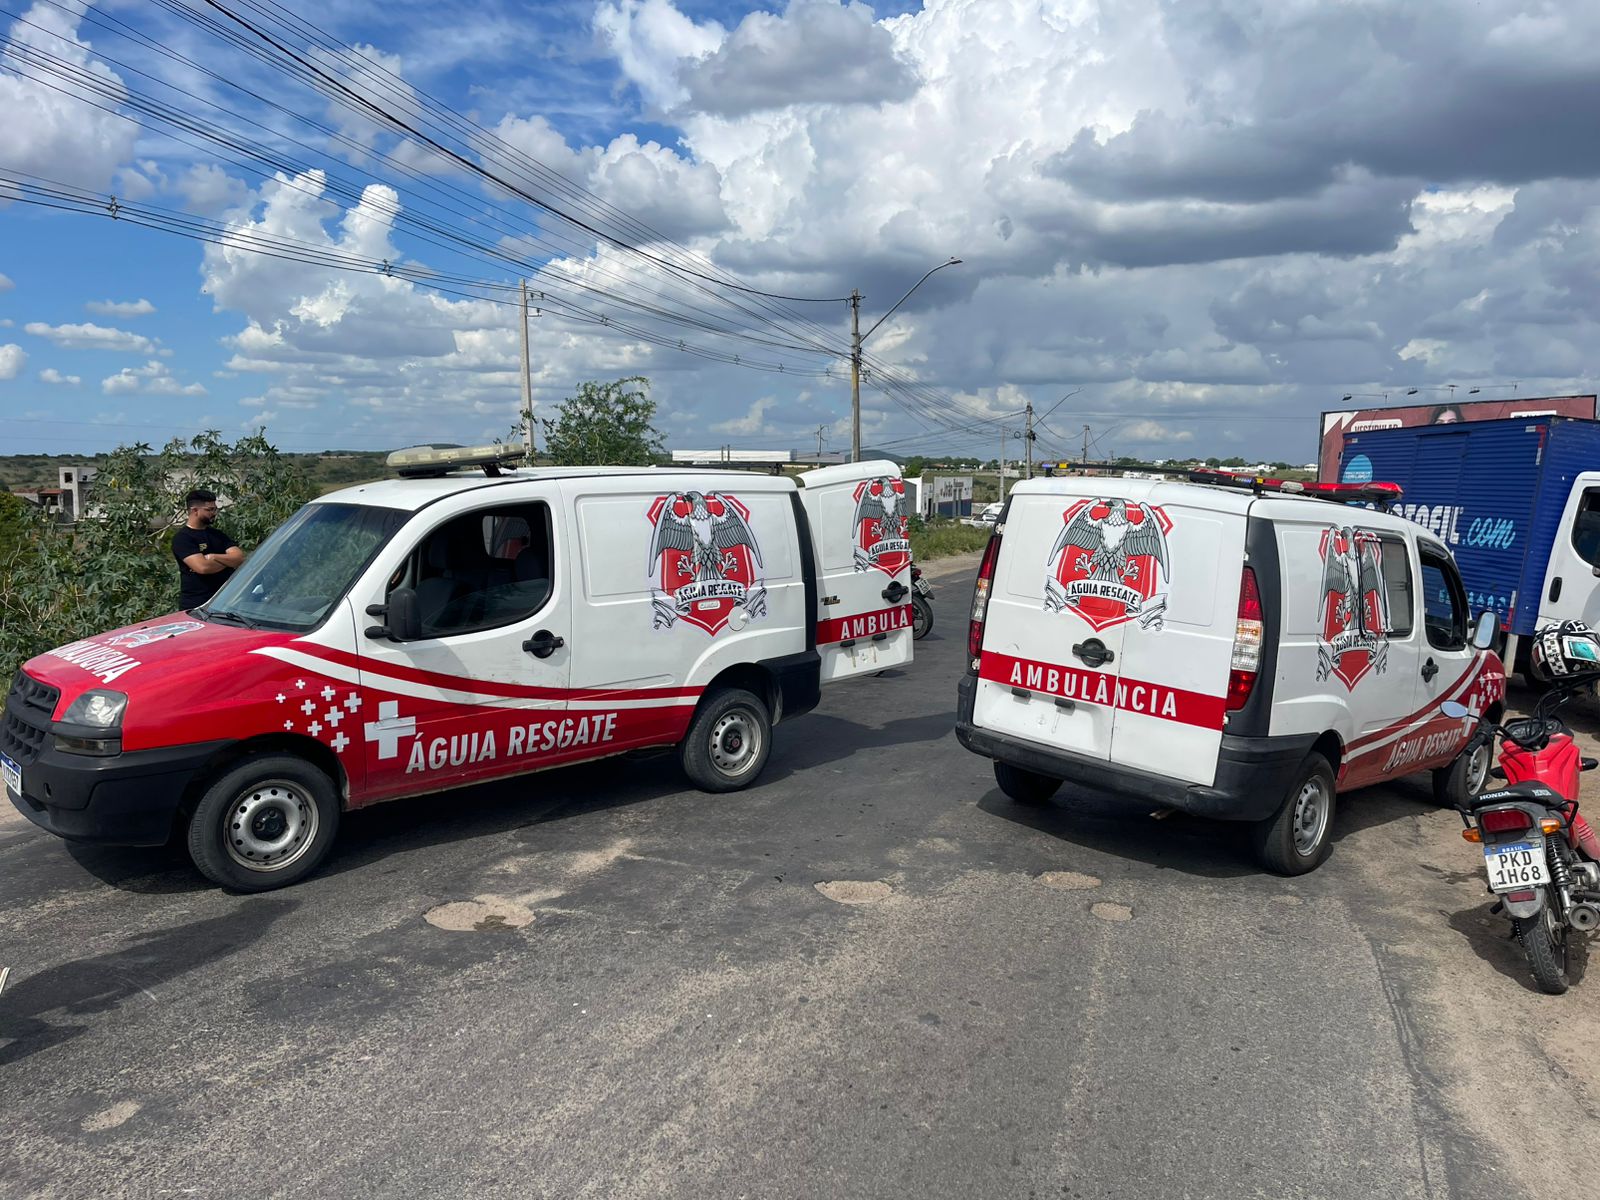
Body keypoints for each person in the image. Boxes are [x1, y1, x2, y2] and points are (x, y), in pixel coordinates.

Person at [172, 488, 246, 611]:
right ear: (194, 510)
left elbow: (239, 559)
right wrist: (227, 562)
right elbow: (203, 567)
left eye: (215, 509)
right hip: (197, 605)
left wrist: (214, 557)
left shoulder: (217, 535)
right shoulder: (183, 538)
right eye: (209, 510)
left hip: (226, 603)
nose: (214, 513)